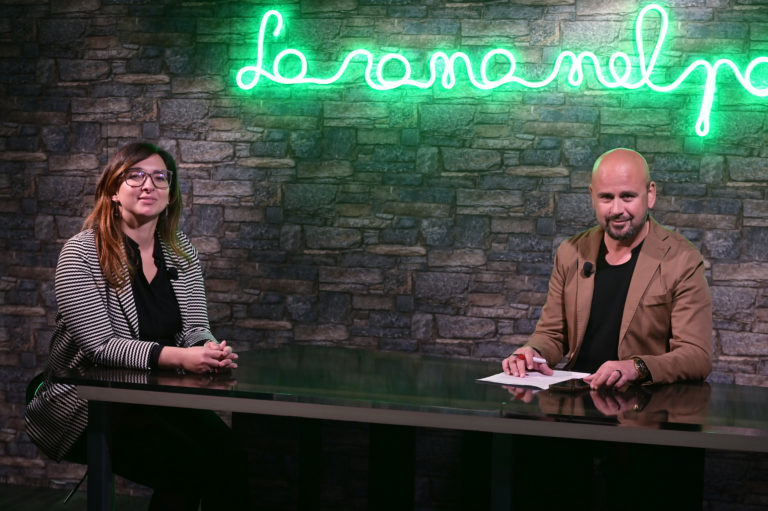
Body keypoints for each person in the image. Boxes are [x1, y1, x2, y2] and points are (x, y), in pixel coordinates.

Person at [25, 142, 248, 510]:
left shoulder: (181, 251)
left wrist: (207, 349)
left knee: (233, 458)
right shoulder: (81, 253)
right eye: (135, 175)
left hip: (156, 397)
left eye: (160, 177)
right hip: (87, 402)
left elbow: (195, 326)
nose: (149, 185)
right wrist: (181, 357)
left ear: (170, 194)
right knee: (187, 467)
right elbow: (100, 346)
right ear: (113, 190)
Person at [502, 148, 712, 388]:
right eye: (606, 198)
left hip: (640, 402)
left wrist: (637, 367)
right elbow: (552, 334)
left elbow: (696, 356)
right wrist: (531, 352)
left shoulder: (682, 259)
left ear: (650, 194)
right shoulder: (571, 252)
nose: (616, 209)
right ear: (592, 196)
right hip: (576, 395)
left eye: (628, 197)